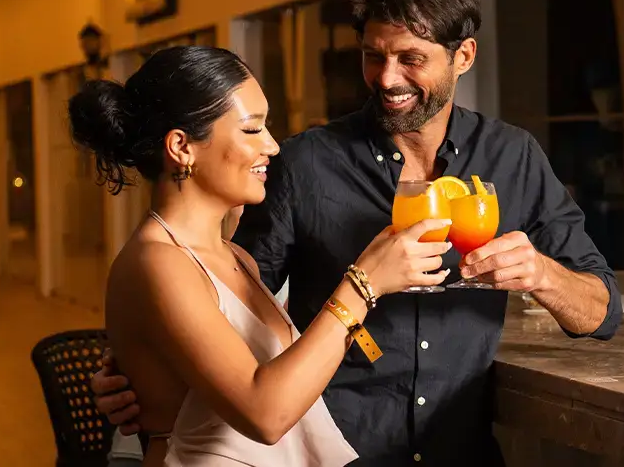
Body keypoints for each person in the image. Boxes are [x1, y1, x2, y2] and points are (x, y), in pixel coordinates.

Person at [92, 0, 623, 465]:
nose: (387, 79)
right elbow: (215, 304)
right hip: (330, 453)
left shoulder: (513, 157)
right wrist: (139, 368)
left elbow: (603, 313)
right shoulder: (305, 164)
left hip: (461, 451)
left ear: (463, 56)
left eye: (411, 58)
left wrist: (542, 275)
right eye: (374, 55)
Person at [69, 45, 454, 466]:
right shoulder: (158, 262)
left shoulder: (238, 256)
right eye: (252, 130)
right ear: (181, 146)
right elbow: (265, 414)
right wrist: (363, 284)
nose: (272, 146)